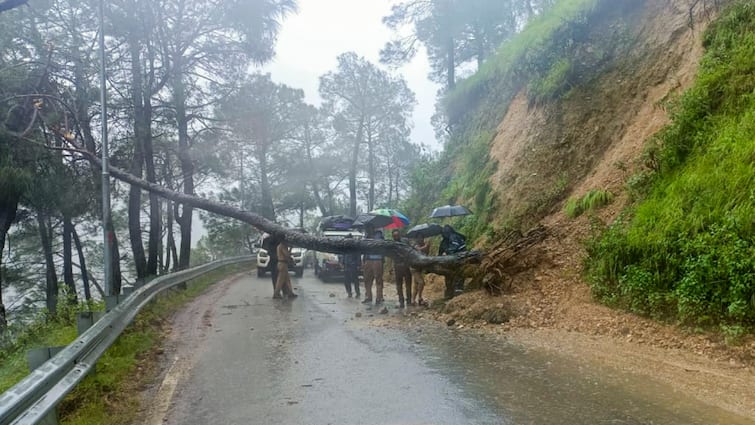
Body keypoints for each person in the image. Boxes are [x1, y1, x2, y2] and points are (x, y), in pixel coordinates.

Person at [438, 225, 467, 299]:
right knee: (448, 274)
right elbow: (440, 252)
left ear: (447, 232)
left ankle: (458, 289)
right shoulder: (444, 241)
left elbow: (454, 248)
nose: (443, 234)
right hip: (451, 259)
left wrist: (446, 252)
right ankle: (449, 290)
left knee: (459, 272)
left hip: (460, 257)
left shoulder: (454, 236)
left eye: (444, 233)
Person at [361, 230, 385, 305]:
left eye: (369, 227)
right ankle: (368, 296)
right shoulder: (366, 236)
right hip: (368, 259)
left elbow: (381, 246)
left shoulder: (379, 236)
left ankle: (379, 297)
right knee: (367, 279)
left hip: (377, 259)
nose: (368, 228)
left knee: (378, 279)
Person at [391, 229, 412, 308]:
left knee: (408, 284)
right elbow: (391, 256)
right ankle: (401, 301)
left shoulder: (405, 241)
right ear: (392, 237)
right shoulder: (392, 244)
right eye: (394, 236)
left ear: (399, 235)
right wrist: (391, 267)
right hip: (397, 266)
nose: (396, 237)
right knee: (399, 285)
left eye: (397, 235)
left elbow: (410, 251)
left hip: (406, 265)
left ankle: (409, 300)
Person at [410, 236, 430, 306]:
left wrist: (428, 247)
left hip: (420, 267)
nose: (420, 239)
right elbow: (419, 249)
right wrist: (426, 246)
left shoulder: (424, 245)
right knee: (421, 282)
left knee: (416, 285)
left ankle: (412, 300)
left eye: (421, 237)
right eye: (419, 237)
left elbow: (426, 254)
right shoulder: (414, 245)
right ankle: (420, 298)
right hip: (414, 267)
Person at [342, 234, 361, 298]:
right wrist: (342, 263)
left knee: (355, 280)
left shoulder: (355, 247)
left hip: (353, 266)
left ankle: (357, 293)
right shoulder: (345, 247)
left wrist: (358, 265)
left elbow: (358, 256)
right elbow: (343, 255)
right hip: (346, 266)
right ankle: (349, 292)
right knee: (346, 280)